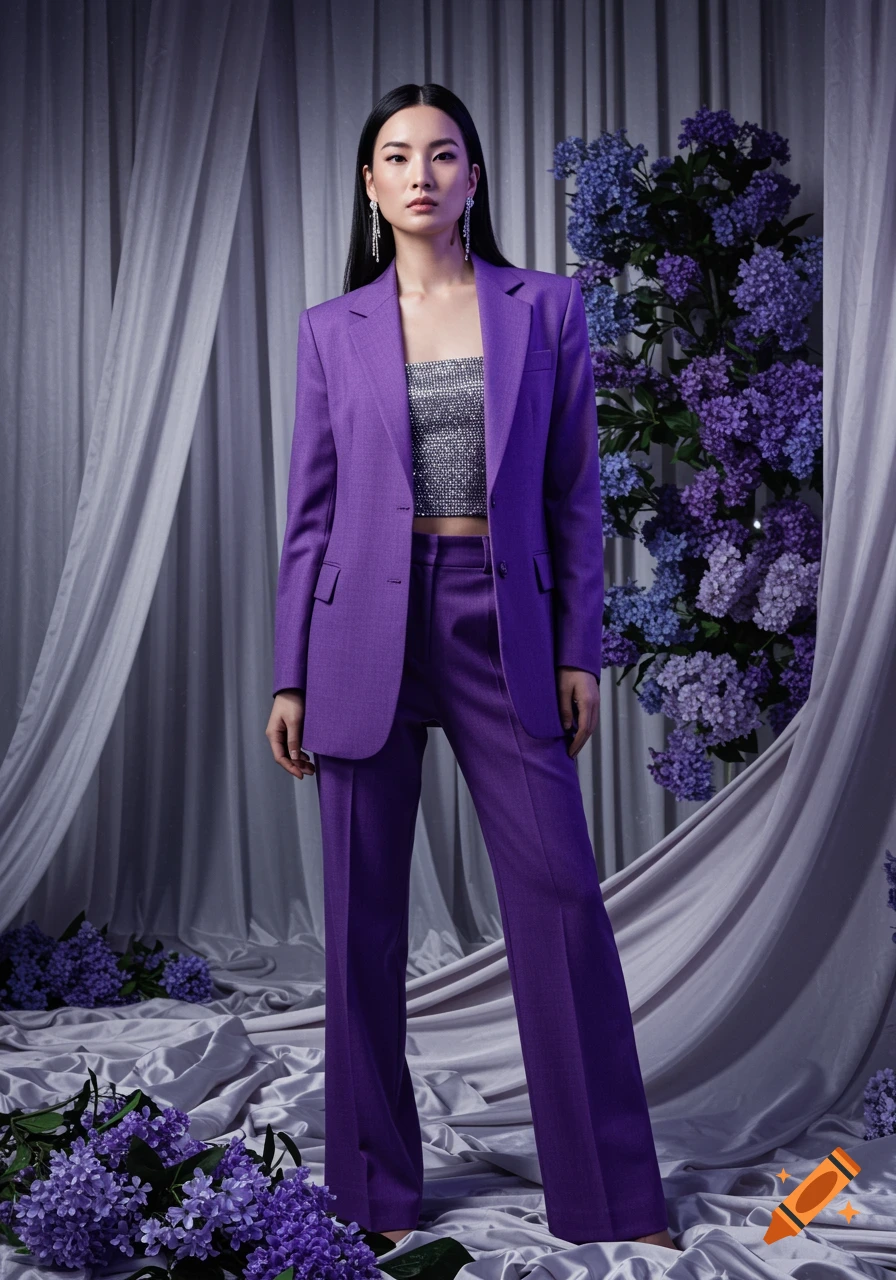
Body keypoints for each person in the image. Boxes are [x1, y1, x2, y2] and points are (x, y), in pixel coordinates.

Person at [265, 82, 678, 1253]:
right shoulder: (327, 328)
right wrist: (288, 670)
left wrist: (577, 649)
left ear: (473, 179)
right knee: (359, 925)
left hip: (500, 623)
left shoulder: (543, 310)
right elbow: (308, 516)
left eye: (442, 155)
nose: (420, 174)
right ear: (369, 184)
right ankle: (368, 1194)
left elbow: (574, 495)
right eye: (396, 156)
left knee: (557, 901)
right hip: (358, 635)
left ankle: (610, 1193)